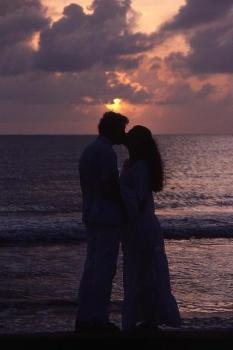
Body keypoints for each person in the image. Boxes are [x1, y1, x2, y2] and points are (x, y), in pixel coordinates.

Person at [120, 125, 181, 334]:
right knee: (143, 270)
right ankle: (147, 318)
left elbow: (137, 200)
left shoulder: (140, 167)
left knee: (145, 271)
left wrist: (117, 189)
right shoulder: (136, 165)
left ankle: (149, 318)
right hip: (140, 224)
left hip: (141, 225)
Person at [75, 111, 129, 337]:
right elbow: (109, 186)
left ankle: (85, 317)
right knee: (104, 270)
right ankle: (98, 318)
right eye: (121, 130)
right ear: (113, 130)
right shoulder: (106, 153)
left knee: (91, 269)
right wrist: (126, 207)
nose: (123, 134)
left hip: (92, 215)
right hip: (107, 217)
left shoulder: (89, 150)